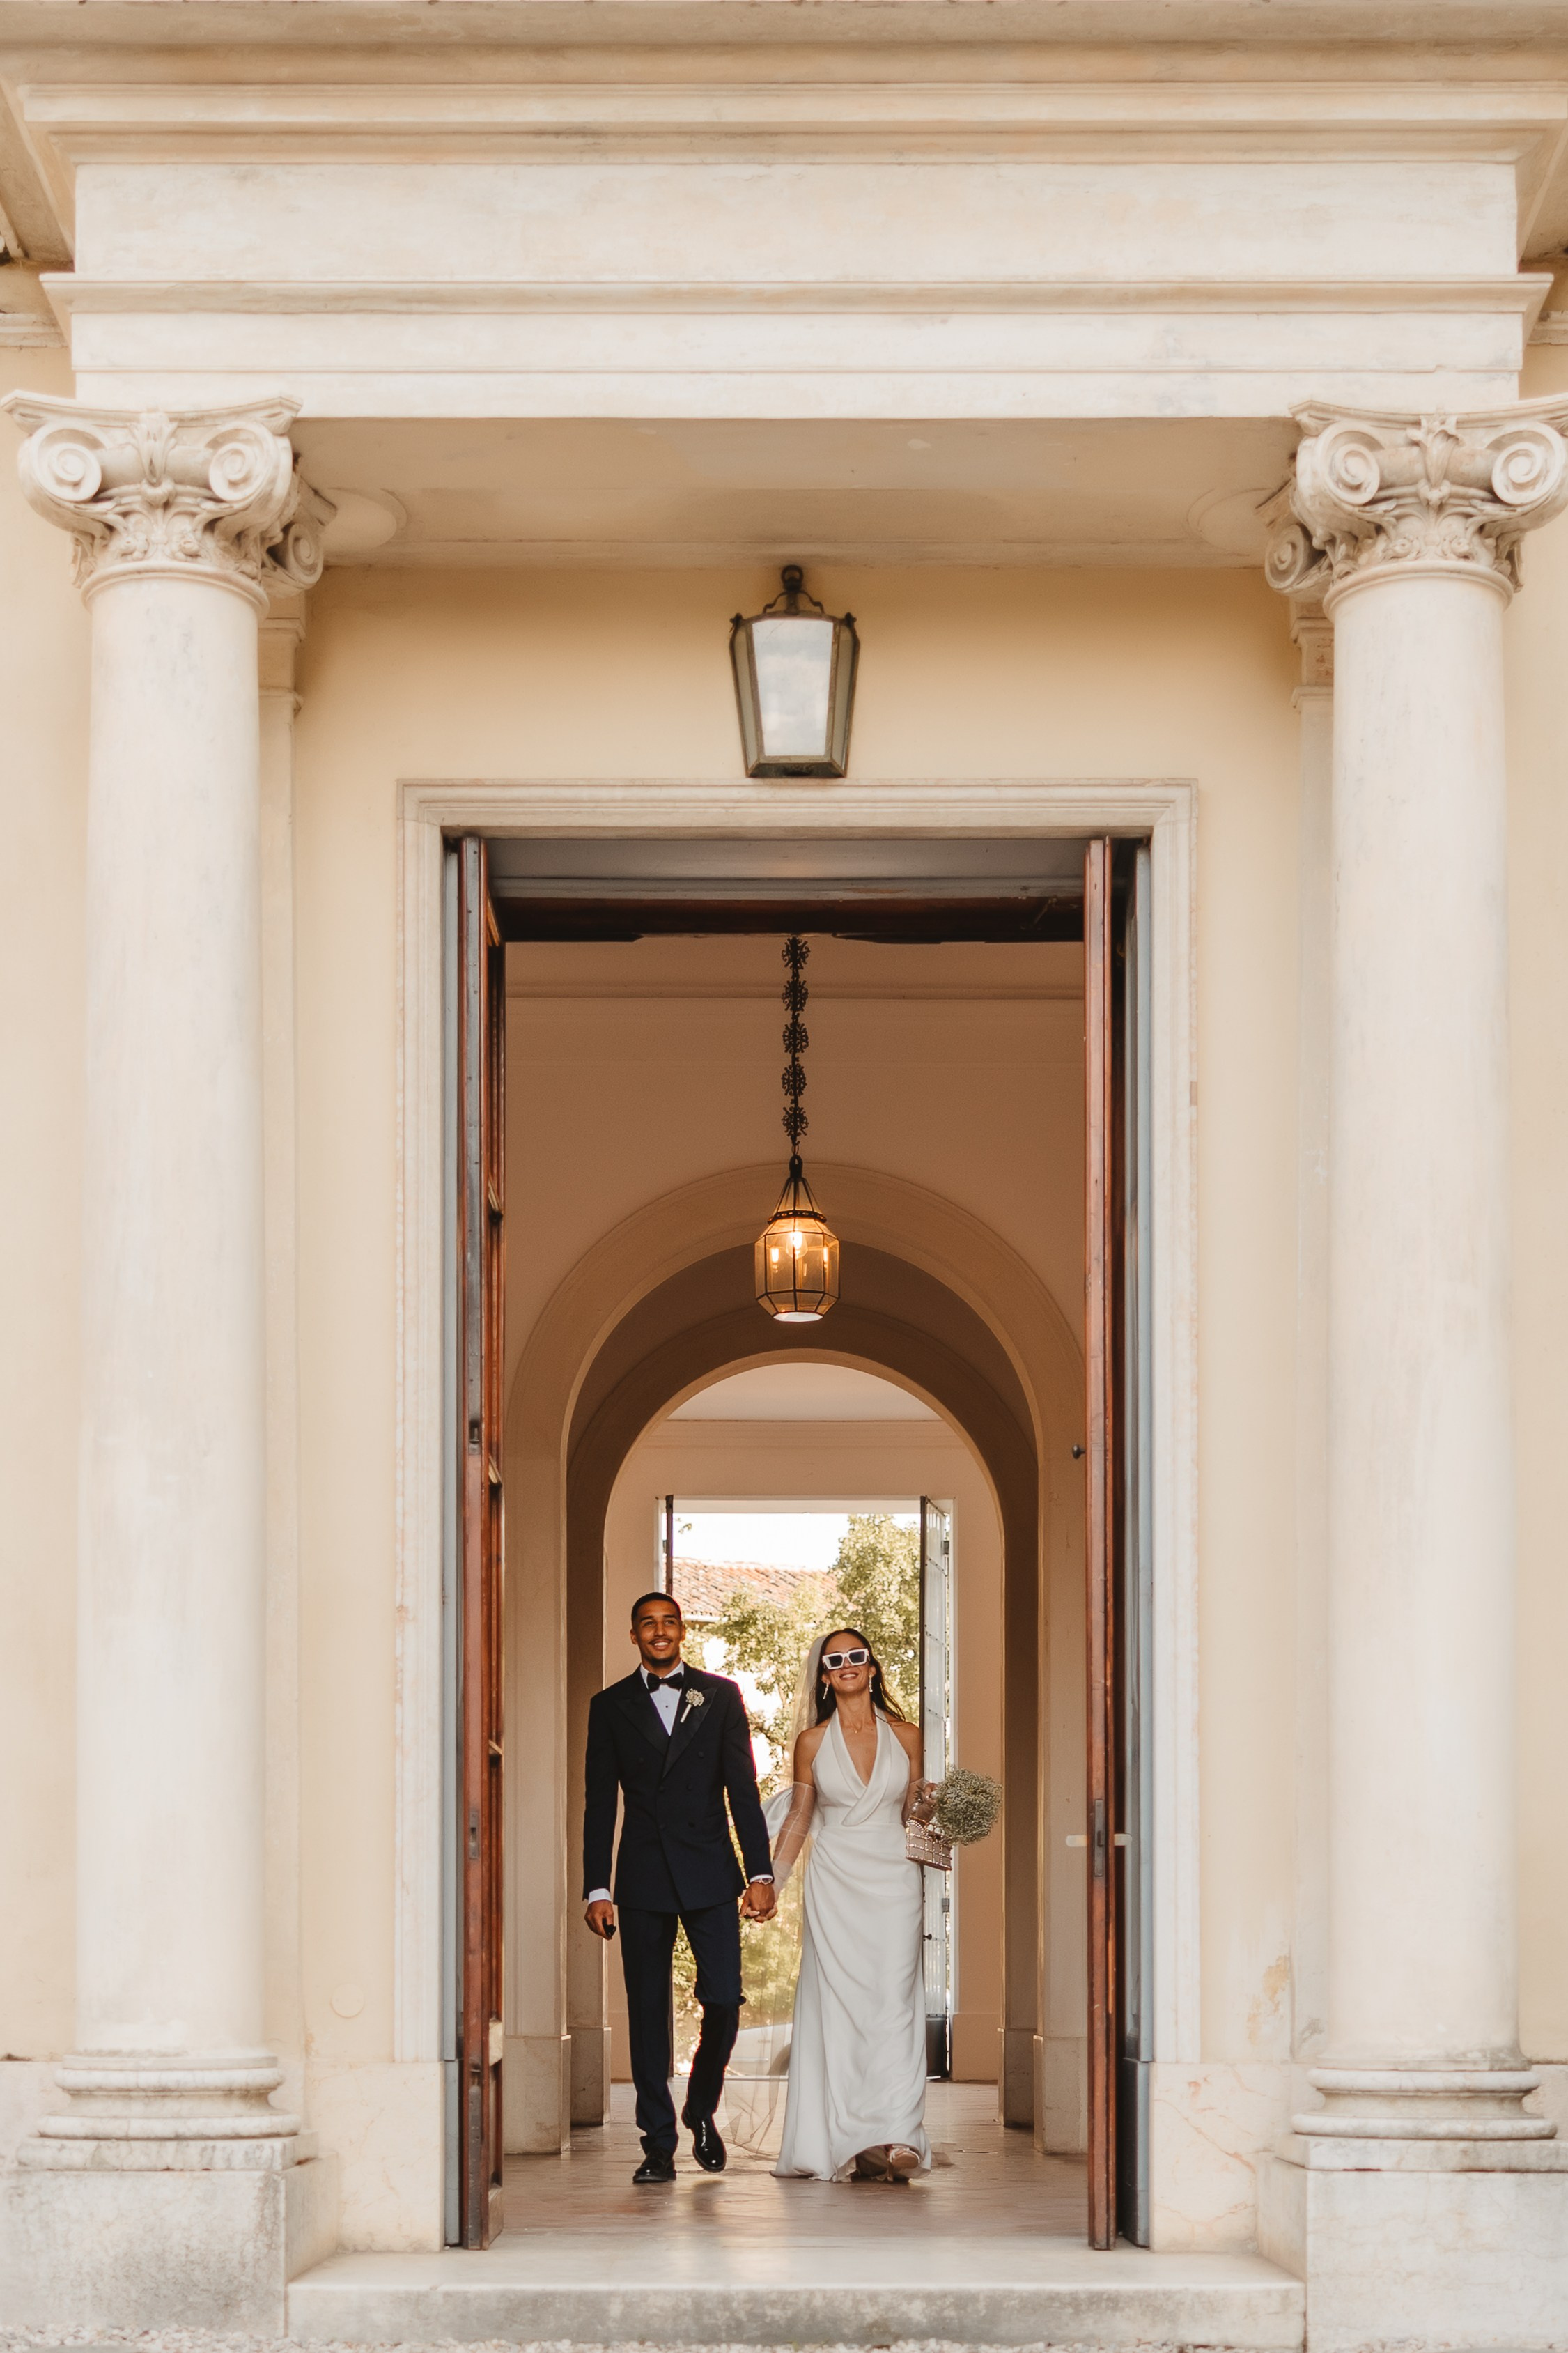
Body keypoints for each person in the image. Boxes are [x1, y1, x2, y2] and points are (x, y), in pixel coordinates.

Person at [582, 1590, 776, 2183]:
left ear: (682, 1630)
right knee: (646, 2013)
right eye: (648, 1624)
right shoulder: (610, 1704)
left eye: (668, 1622)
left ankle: (699, 2108)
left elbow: (742, 1789)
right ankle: (657, 2143)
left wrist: (760, 1873)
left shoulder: (719, 1695)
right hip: (641, 1875)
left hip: (711, 1870)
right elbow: (599, 1802)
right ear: (634, 1634)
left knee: (723, 1998)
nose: (659, 1632)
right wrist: (597, 1887)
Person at [768, 1628, 937, 2184]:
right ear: (823, 1674)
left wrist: (941, 1807)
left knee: (895, 2004)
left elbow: (915, 1811)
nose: (845, 1664)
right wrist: (771, 1880)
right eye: (833, 1659)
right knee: (841, 2012)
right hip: (835, 1883)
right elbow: (798, 1816)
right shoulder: (811, 1742)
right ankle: (855, 2139)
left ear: (871, 1666)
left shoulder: (909, 1734)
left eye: (855, 1656)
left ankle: (898, 2132)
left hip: (894, 1880)